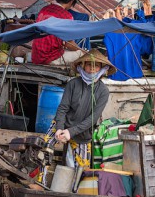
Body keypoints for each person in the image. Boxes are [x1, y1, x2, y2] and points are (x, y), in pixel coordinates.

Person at [40, 50, 117, 184]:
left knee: (82, 169)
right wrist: (59, 128)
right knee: (45, 148)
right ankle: (41, 182)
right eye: (89, 65)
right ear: (82, 66)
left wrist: (71, 132)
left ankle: (75, 193)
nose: (92, 68)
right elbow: (63, 108)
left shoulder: (103, 91)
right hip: (63, 124)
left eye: (96, 66)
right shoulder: (73, 84)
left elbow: (92, 119)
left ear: (102, 69)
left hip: (83, 132)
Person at [31, 0, 85, 66]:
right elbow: (68, 43)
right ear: (71, 1)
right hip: (49, 58)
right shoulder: (67, 16)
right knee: (82, 55)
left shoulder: (44, 9)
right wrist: (83, 51)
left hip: (36, 56)